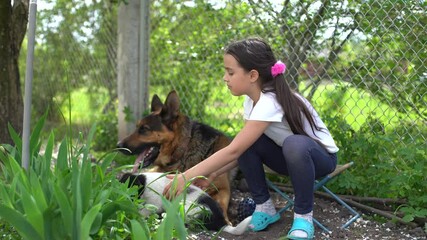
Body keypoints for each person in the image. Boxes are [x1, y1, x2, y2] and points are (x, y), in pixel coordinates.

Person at [163, 37, 338, 239]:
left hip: (320, 160)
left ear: (253, 75)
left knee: (294, 143)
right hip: (288, 157)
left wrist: (186, 177)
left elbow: (233, 150)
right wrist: (211, 175)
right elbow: (241, 150)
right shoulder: (251, 101)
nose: (224, 78)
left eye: (230, 72)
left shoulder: (270, 101)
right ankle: (265, 208)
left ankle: (303, 217)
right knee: (249, 141)